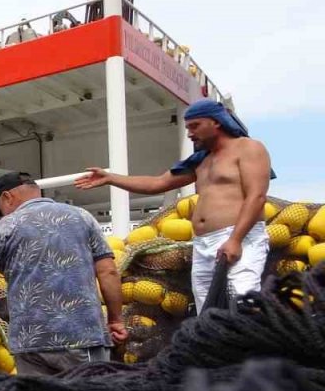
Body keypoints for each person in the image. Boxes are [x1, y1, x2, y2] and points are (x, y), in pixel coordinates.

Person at [75, 98, 272, 307]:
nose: (189, 133)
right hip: (203, 243)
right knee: (207, 309)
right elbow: (157, 183)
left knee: (243, 302)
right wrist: (110, 178)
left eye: (195, 126)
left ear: (216, 122)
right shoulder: (201, 160)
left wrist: (235, 239)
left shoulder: (248, 148)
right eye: (187, 128)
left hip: (239, 236)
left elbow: (257, 196)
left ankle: (256, 340)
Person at [0, 172, 127, 376]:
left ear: (7, 197)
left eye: (0, 209)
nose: (3, 214)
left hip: (30, 345)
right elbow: (108, 271)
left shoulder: (5, 227)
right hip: (82, 338)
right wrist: (115, 320)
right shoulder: (82, 217)